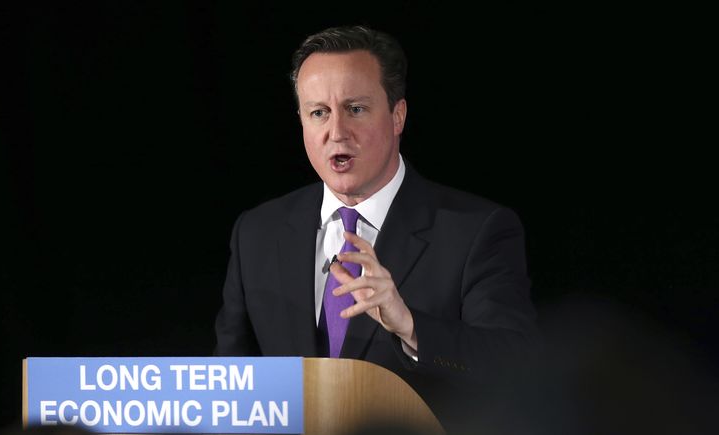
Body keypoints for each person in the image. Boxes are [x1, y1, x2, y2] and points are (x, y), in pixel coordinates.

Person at [214, 25, 538, 430]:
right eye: (319, 113)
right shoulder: (257, 232)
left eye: (355, 109)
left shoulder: (476, 231)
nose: (336, 132)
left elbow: (515, 365)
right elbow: (229, 384)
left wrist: (411, 326)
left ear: (397, 115)